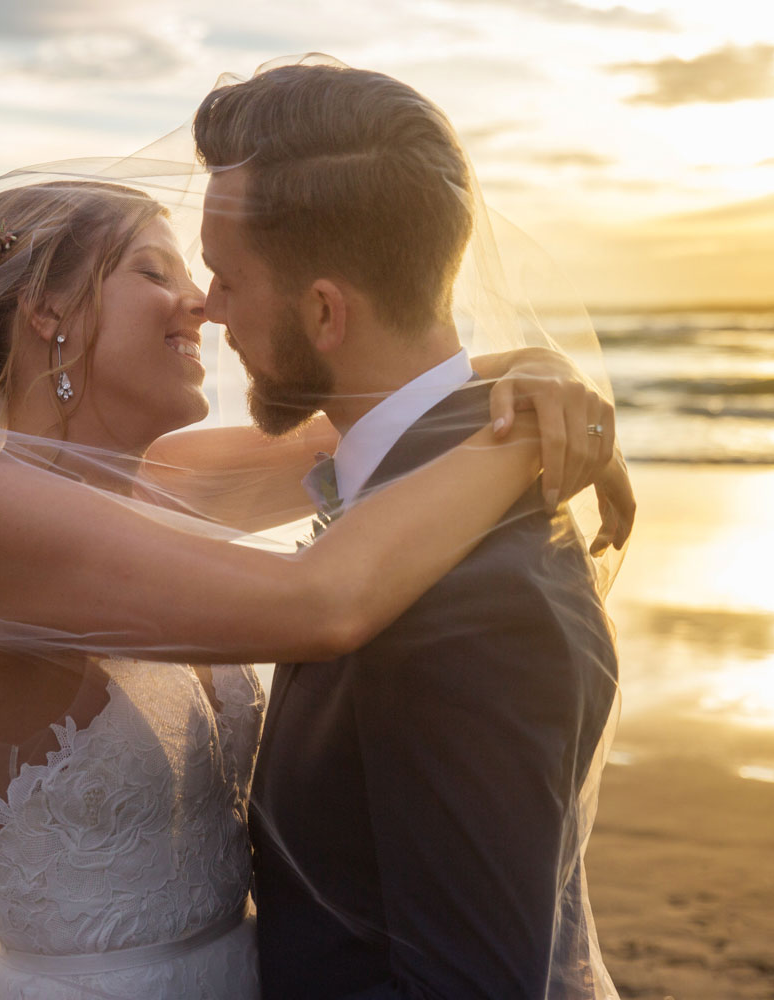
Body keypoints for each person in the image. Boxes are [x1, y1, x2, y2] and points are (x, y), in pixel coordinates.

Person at [0, 109, 629, 999]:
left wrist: (542, 380)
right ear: (50, 311)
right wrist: (523, 443)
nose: (203, 304)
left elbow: (380, 412)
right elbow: (324, 603)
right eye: (152, 272)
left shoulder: (153, 484)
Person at [192, 62, 621, 998]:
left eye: (225, 278)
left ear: (323, 311)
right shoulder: (420, 493)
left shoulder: (478, 607)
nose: (206, 307)